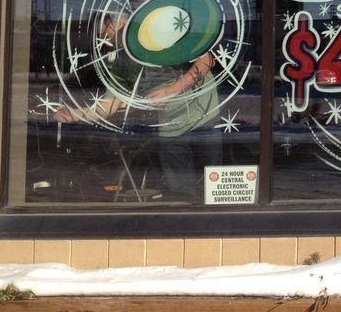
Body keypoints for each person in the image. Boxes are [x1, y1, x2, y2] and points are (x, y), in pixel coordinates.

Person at [55, 16, 222, 201]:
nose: (108, 42)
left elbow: (207, 60)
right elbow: (109, 105)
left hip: (206, 119)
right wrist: (77, 114)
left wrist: (171, 90)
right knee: (182, 195)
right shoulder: (124, 61)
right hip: (172, 130)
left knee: (214, 191)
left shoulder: (164, 32)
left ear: (119, 23)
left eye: (106, 35)